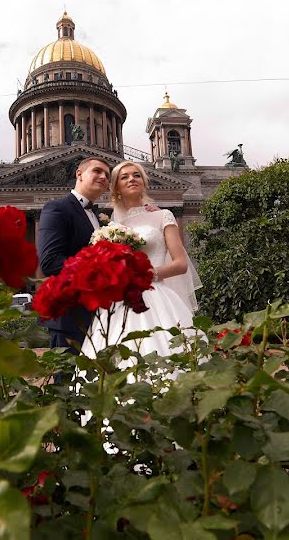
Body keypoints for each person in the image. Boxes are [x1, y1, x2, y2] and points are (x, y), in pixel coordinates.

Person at [81, 161, 203, 379]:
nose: (132, 179)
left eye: (137, 175)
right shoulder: (110, 224)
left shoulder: (162, 215)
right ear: (116, 187)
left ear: (144, 182)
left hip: (155, 294)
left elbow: (180, 264)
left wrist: (148, 274)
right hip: (119, 301)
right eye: (124, 177)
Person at [37, 157, 111, 352]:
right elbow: (50, 262)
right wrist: (98, 271)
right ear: (79, 173)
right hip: (69, 319)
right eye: (97, 171)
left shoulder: (100, 218)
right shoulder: (57, 208)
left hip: (101, 319)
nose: (103, 177)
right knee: (68, 381)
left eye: (107, 175)